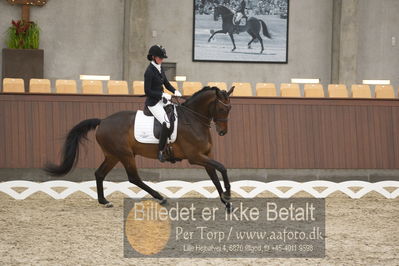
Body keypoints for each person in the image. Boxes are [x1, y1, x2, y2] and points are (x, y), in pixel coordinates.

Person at [144, 45, 182, 162]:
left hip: (162, 100)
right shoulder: (149, 71)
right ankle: (161, 151)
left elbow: (166, 83)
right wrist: (162, 95)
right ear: (154, 57)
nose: (162, 59)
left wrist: (174, 90)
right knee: (166, 123)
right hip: (153, 103)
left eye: (162, 58)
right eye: (160, 58)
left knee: (175, 115)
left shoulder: (160, 67)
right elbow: (148, 91)